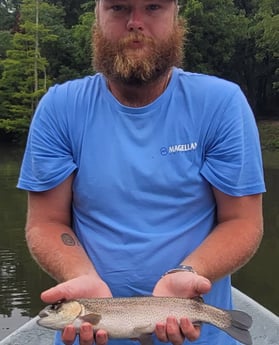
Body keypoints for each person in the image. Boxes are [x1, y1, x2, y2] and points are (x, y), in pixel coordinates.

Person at [17, 0, 265, 344]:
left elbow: (242, 221)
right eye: (118, 8)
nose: (135, 22)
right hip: (88, 333)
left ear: (176, 14)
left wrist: (188, 275)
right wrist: (81, 279)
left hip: (199, 332)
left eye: (153, 7)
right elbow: (46, 221)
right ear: (97, 17)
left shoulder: (222, 104)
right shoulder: (59, 109)